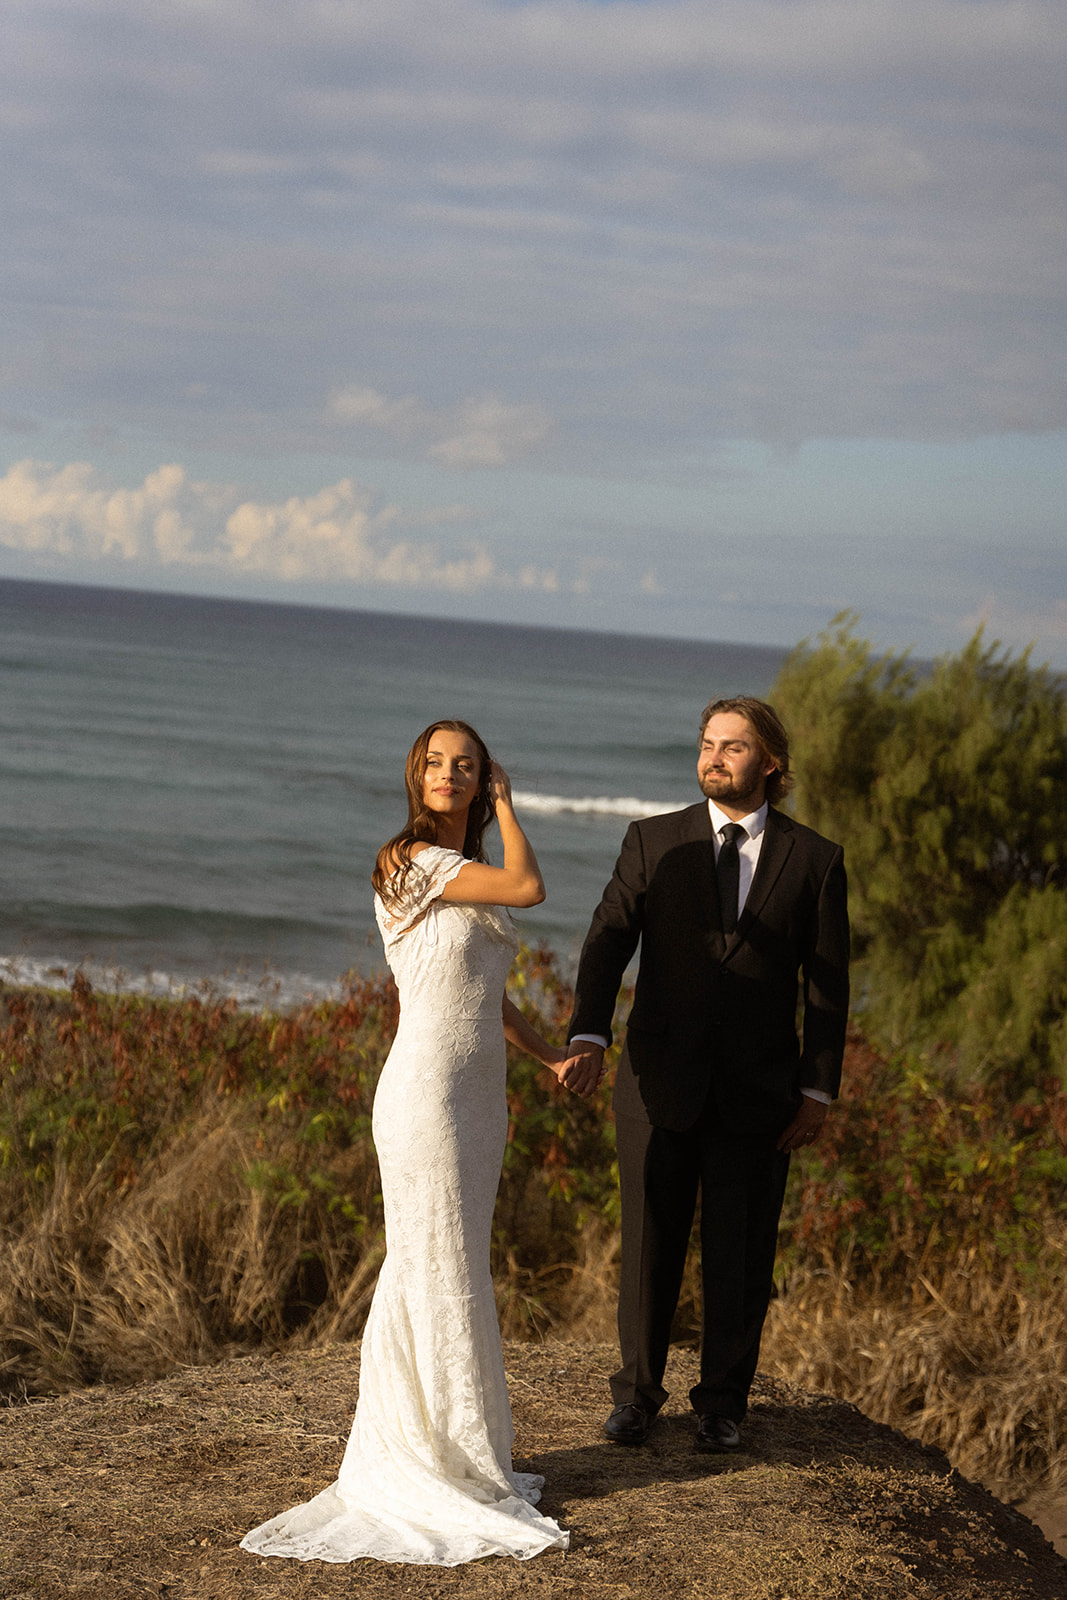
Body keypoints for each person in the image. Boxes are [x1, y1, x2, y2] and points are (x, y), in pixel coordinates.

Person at [241, 720, 597, 1566]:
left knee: (455, 1261)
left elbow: (479, 996)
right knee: (427, 1262)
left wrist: (549, 1054)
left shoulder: (458, 876)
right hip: (425, 1097)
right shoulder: (411, 861)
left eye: (466, 767)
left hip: (479, 1097)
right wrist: (509, 802)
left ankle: (460, 1453)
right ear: (418, 775)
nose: (451, 774)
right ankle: (421, 1460)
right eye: (438, 763)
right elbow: (531, 886)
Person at [566, 697, 849, 1453]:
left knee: (740, 1251)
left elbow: (826, 987)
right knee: (649, 1244)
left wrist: (818, 1089)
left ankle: (722, 1403)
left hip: (761, 1092)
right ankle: (634, 1397)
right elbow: (607, 938)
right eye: (706, 744)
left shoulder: (815, 860)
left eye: (732, 746)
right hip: (656, 1084)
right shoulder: (652, 841)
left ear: (770, 763)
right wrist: (587, 1032)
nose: (713, 757)